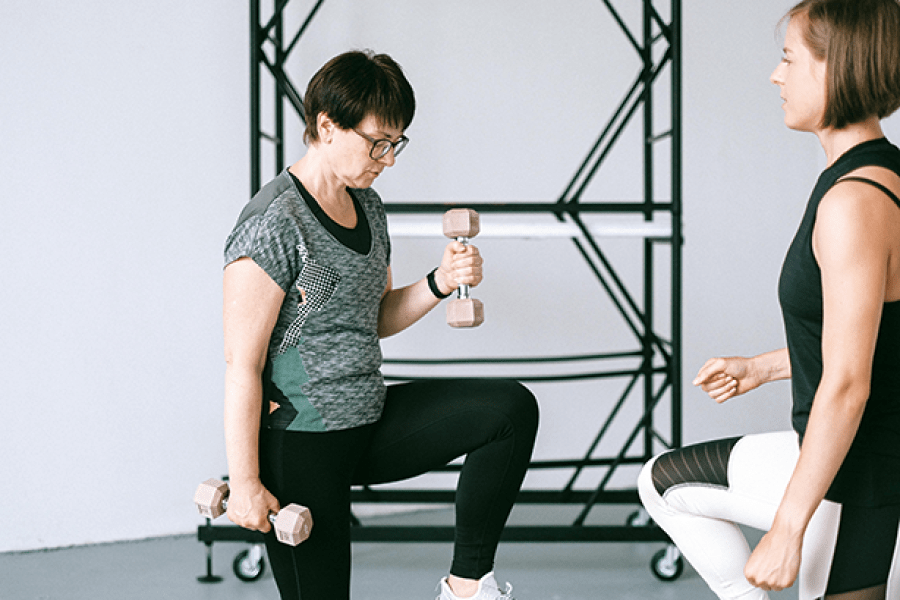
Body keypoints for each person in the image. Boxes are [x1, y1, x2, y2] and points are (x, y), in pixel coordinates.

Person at [221, 50, 538, 600]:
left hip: (367, 419)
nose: (388, 158)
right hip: (300, 444)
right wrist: (246, 483)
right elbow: (241, 365)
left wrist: (438, 282)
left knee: (508, 411)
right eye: (378, 142)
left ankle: (466, 588)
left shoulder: (367, 205)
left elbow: (376, 318)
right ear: (326, 126)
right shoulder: (272, 224)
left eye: (397, 143)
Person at [637, 1, 900, 599]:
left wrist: (786, 527)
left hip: (856, 476)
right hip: (852, 451)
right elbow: (875, 335)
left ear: (839, 69)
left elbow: (848, 382)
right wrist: (763, 367)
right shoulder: (883, 176)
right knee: (664, 480)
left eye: (788, 58)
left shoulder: (852, 204)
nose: (775, 76)